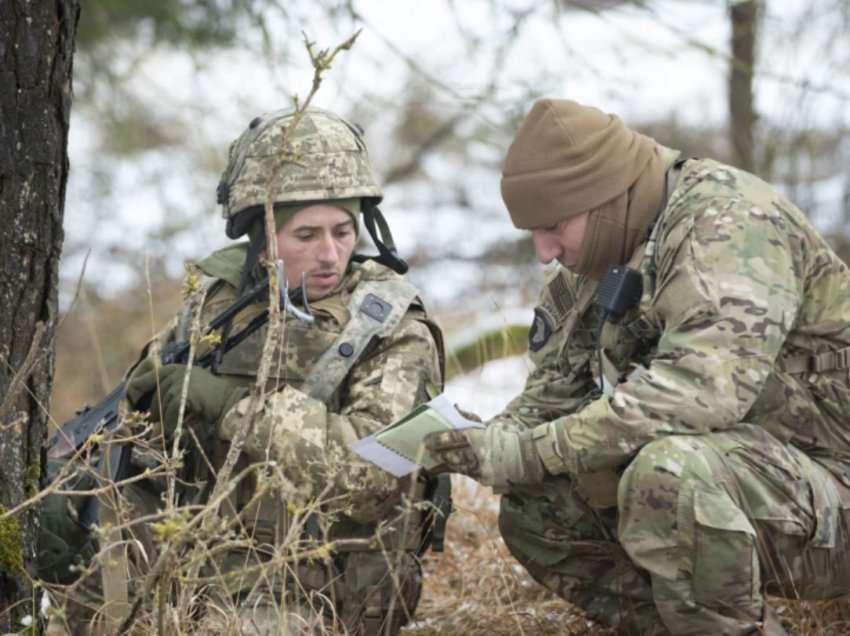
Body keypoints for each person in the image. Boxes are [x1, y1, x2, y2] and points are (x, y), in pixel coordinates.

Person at [425, 98, 850, 635]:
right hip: (759, 487)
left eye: (553, 225)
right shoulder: (600, 255)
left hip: (834, 490)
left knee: (669, 473)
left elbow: (696, 394)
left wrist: (527, 452)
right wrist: (481, 442)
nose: (543, 251)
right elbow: (553, 391)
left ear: (607, 196)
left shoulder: (729, 223)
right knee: (539, 507)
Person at [42, 108, 445, 635]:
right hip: (194, 547)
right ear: (261, 236)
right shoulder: (219, 301)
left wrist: (233, 405)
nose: (330, 255)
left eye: (343, 231)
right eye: (305, 235)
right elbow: (147, 433)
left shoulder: (391, 327)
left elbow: (367, 477)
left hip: (322, 579)